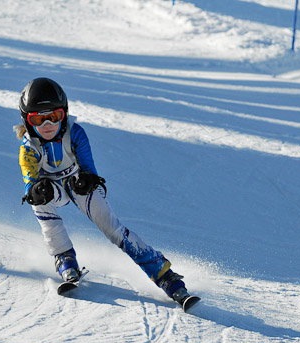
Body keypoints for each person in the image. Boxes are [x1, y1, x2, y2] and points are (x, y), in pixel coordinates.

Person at [15, 77, 193, 305]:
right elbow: (29, 182)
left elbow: (89, 169)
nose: (47, 124)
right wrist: (35, 189)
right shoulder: (29, 148)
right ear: (28, 122)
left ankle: (164, 275)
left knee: (113, 228)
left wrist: (87, 180)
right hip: (53, 191)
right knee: (39, 200)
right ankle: (65, 259)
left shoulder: (75, 133)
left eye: (54, 116)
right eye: (39, 119)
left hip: (76, 183)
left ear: (64, 114)